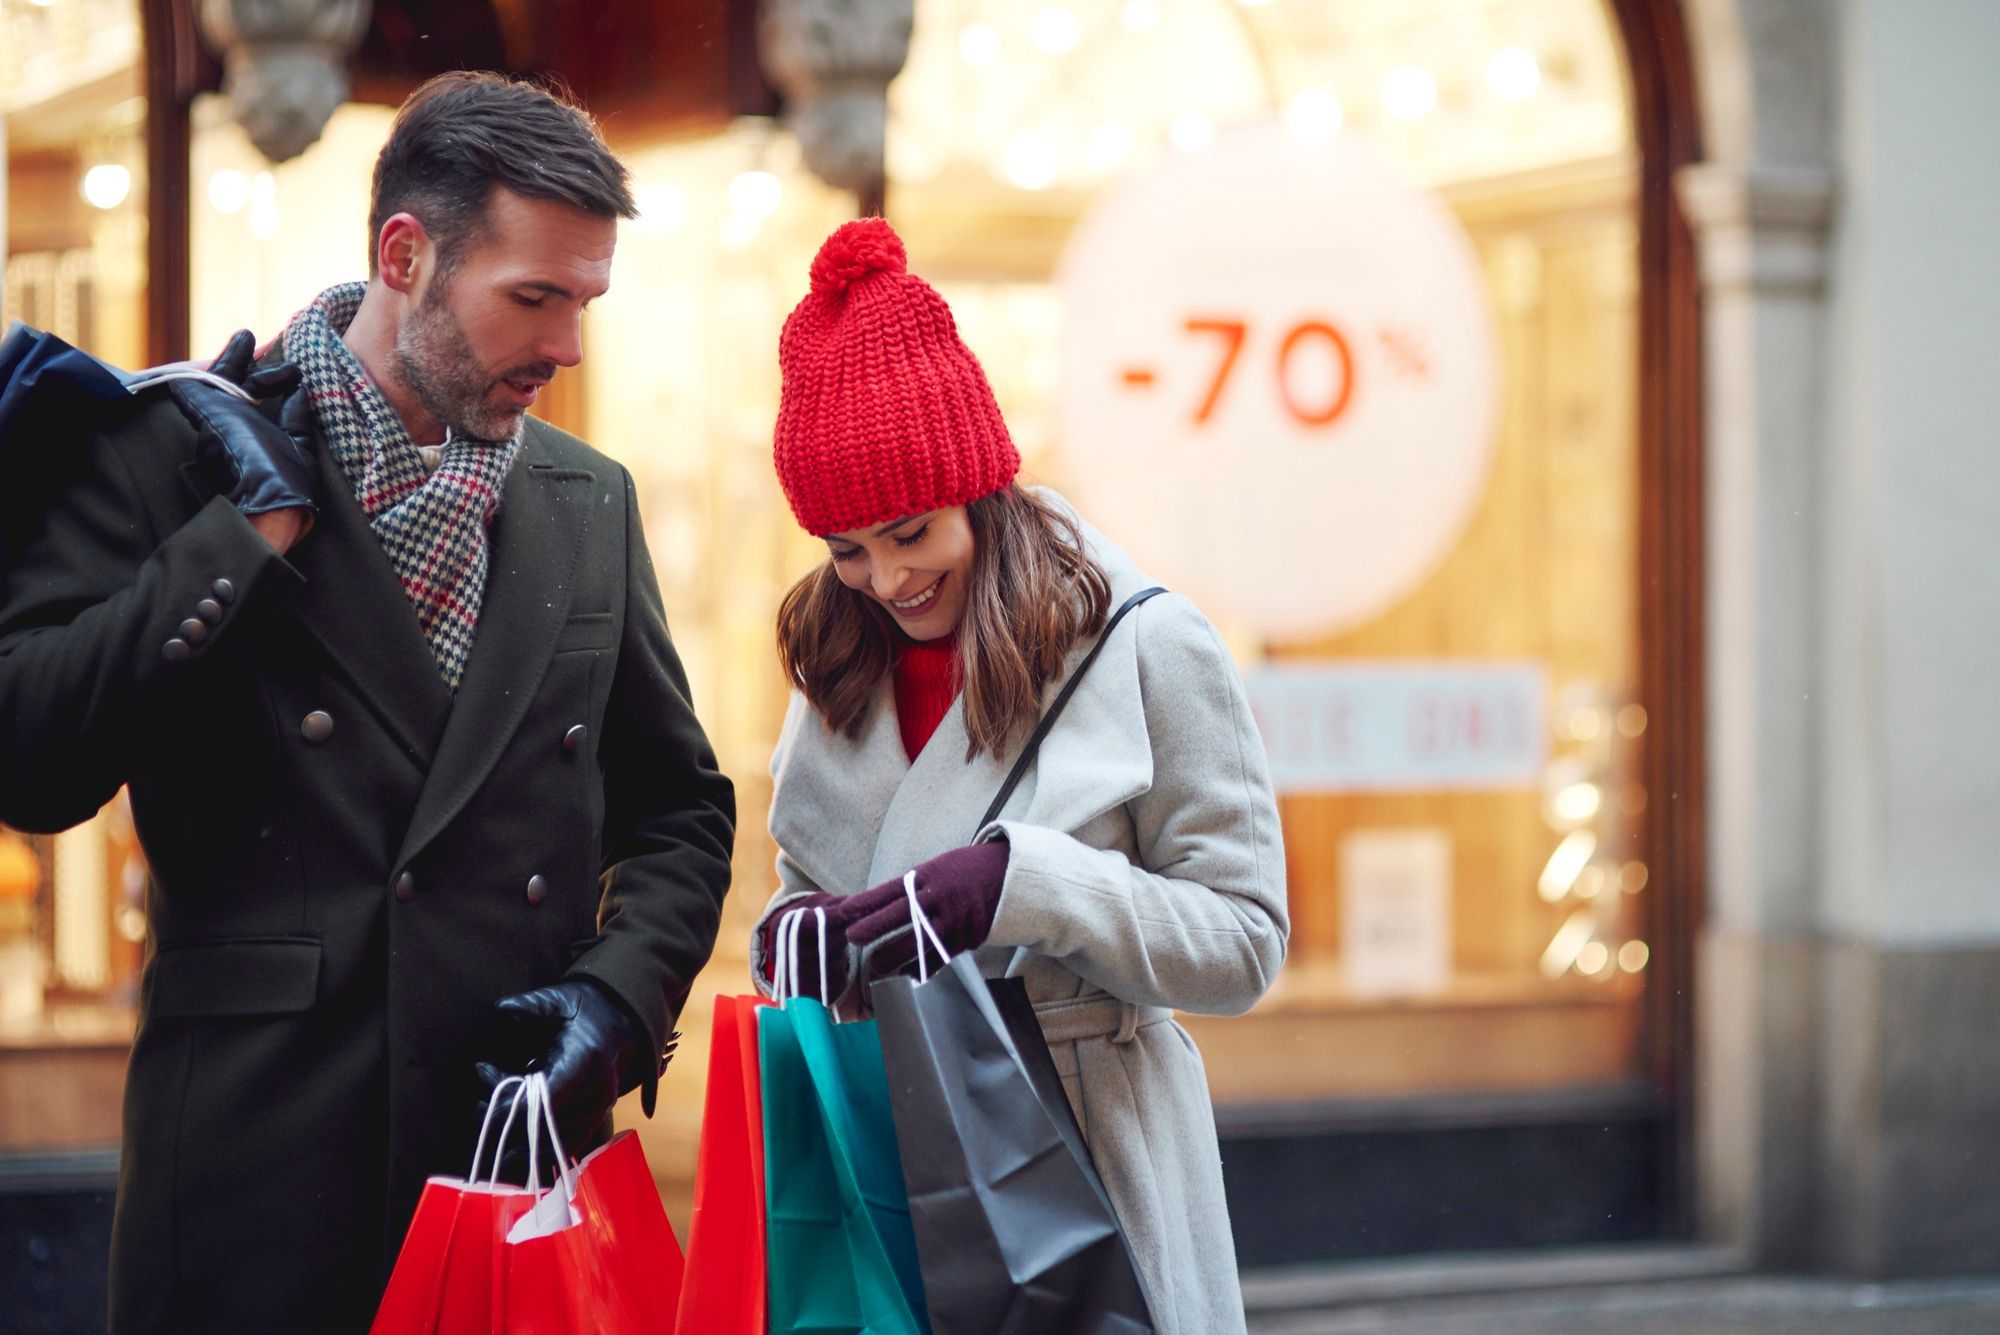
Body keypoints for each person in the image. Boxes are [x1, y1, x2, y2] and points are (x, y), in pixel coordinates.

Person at [0, 72, 735, 1332]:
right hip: (256, 1185)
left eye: (584, 302)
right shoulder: (173, 454)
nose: (565, 348)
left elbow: (677, 810)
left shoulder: (586, 499)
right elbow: (28, 763)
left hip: (511, 1163)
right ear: (406, 254)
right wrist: (238, 540)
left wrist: (616, 1004)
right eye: (532, 298)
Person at [750, 216, 1288, 1334]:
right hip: (885, 1155)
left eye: (909, 531)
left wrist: (1022, 886)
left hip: (1092, 1168)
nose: (886, 579)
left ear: (978, 489)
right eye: (845, 549)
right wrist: (798, 933)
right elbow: (816, 879)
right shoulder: (834, 661)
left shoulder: (1145, 643)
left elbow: (1244, 944)